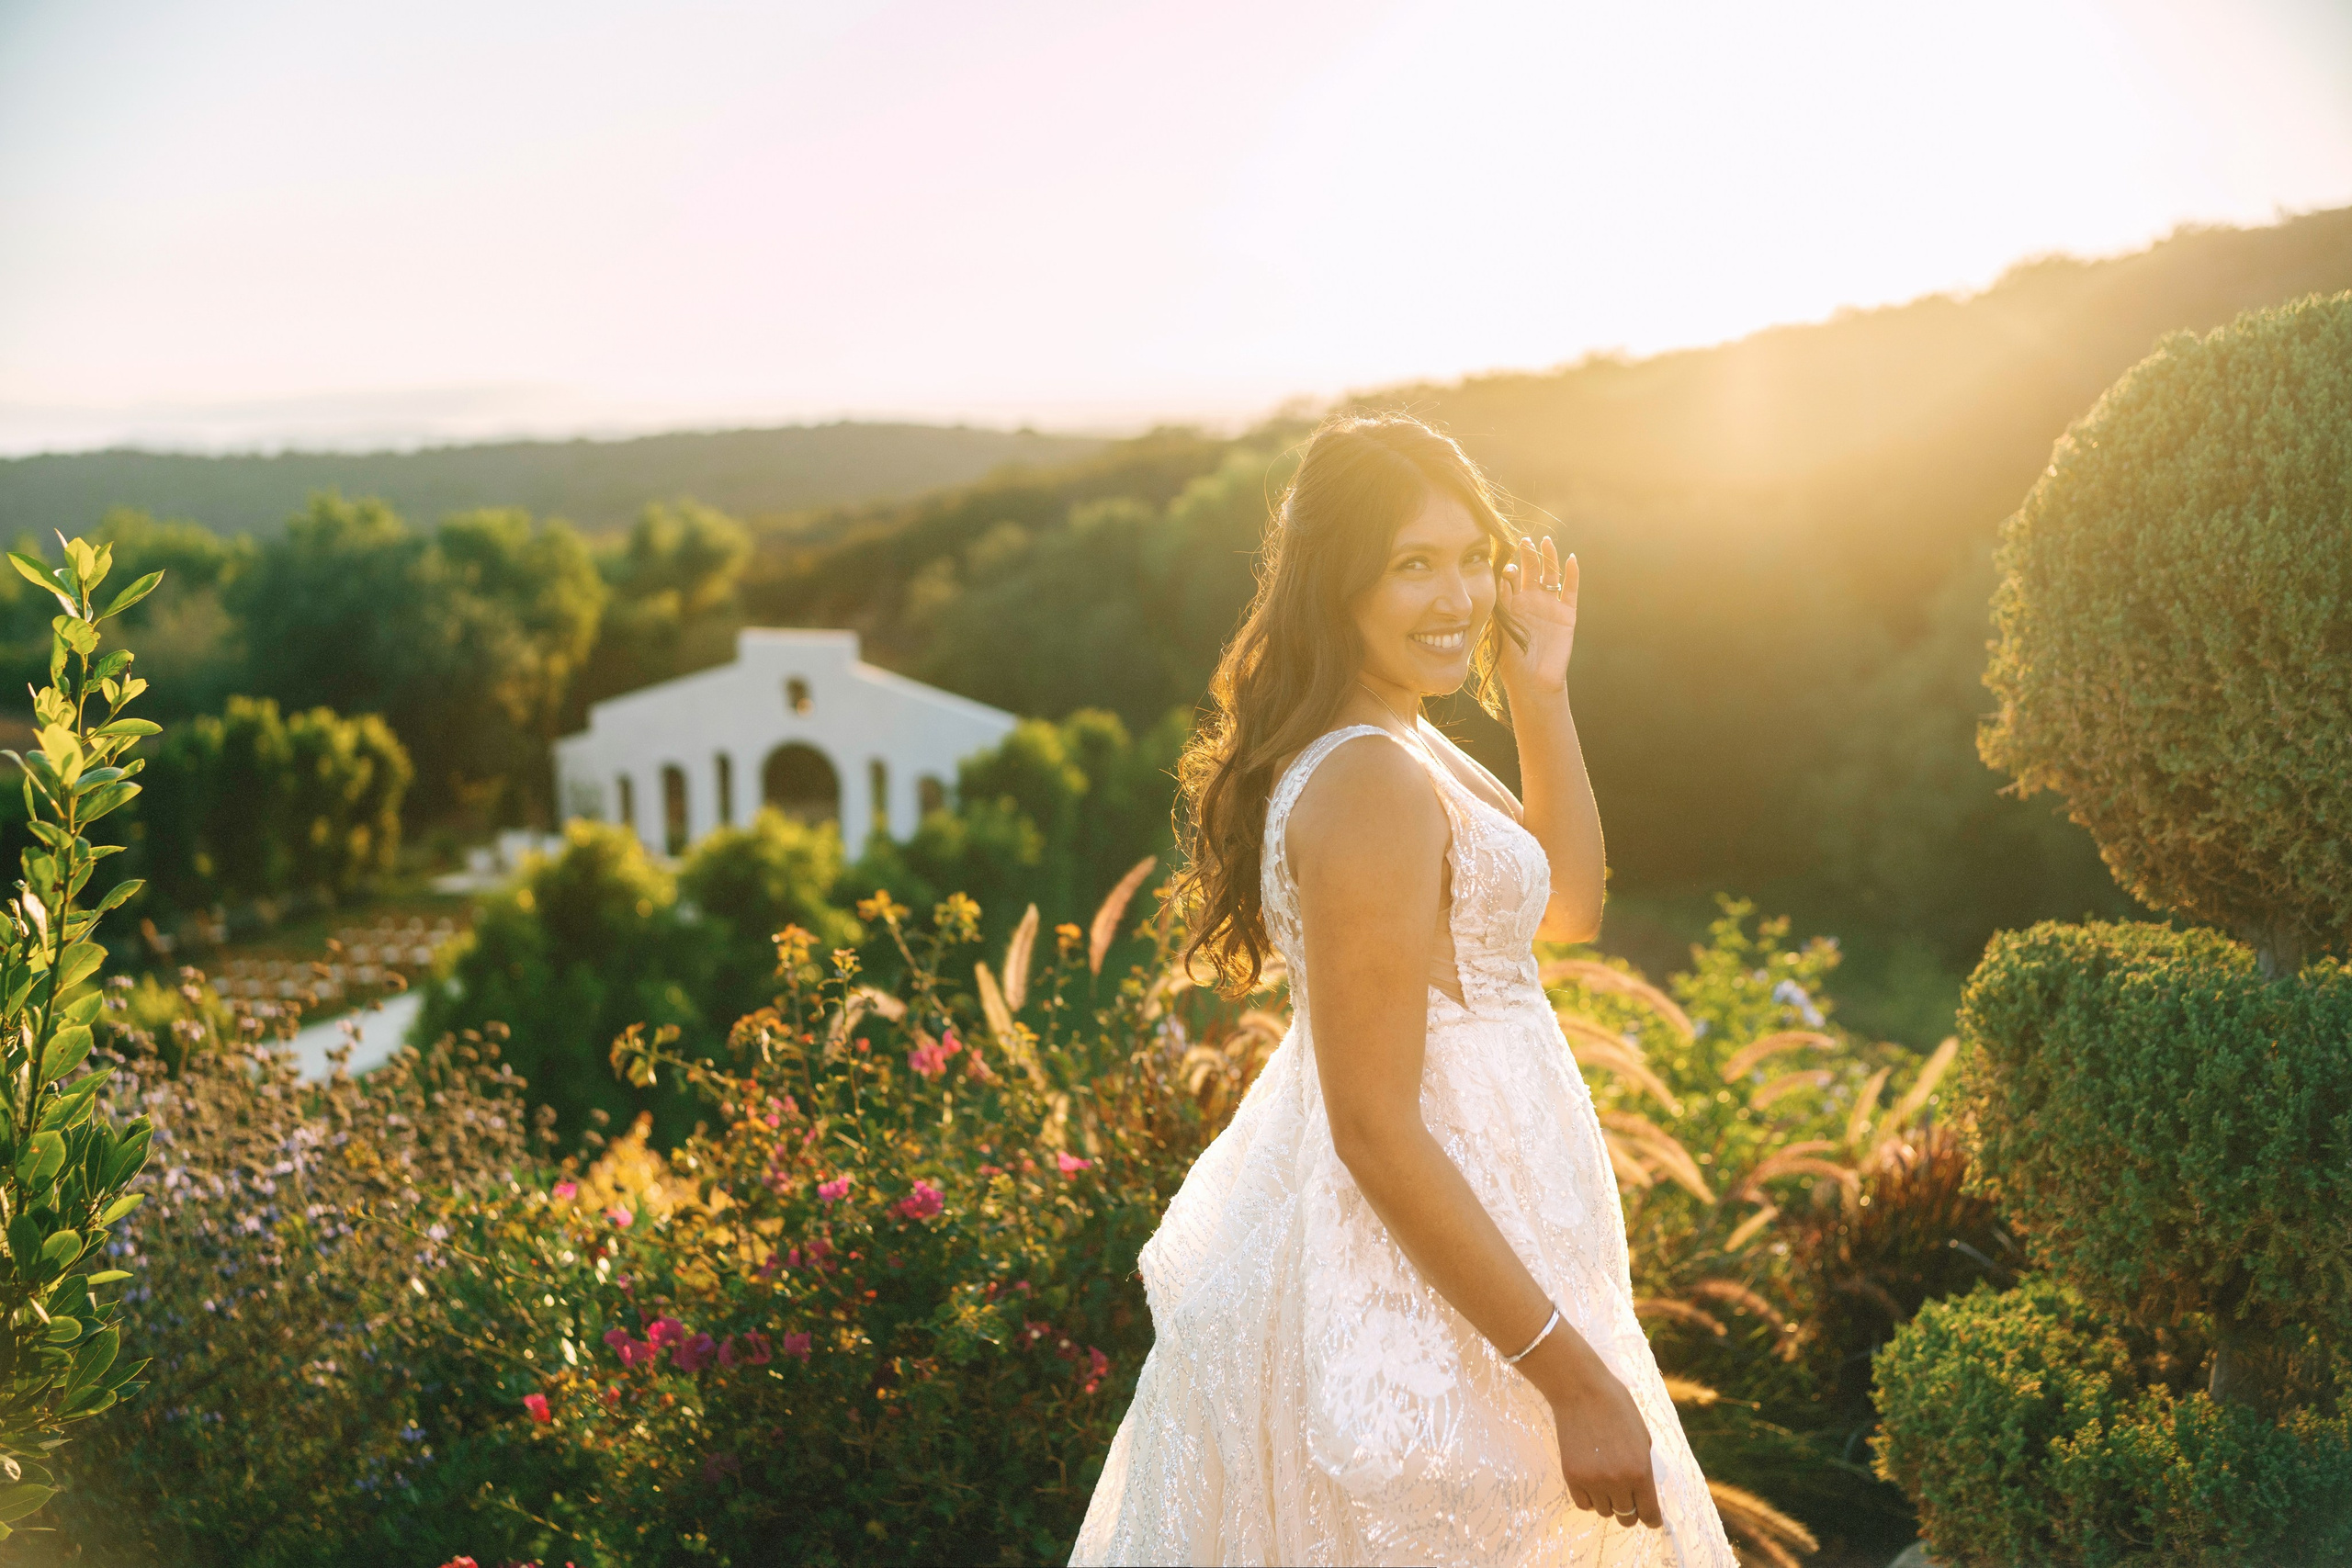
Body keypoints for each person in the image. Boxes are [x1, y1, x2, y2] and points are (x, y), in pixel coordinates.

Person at [1070, 414, 1735, 1566]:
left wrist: (1541, 692)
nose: (1458, 595)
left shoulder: (1409, 742)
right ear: (1337, 586)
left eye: (1472, 556)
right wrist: (1573, 1380)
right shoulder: (1369, 778)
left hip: (1496, 1253)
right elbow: (1373, 1125)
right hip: (1411, 1303)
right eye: (1411, 564)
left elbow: (1565, 911)